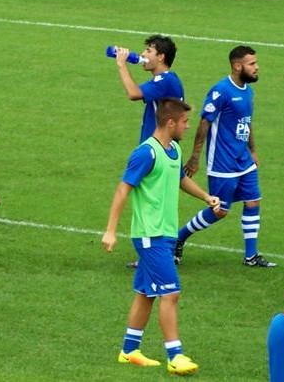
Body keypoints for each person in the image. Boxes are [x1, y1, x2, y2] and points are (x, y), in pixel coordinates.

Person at [101, 98, 218, 376]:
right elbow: (122, 190)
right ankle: (175, 355)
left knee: (146, 294)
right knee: (171, 292)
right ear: (170, 123)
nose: (188, 127)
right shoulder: (146, 153)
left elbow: (179, 179)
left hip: (164, 234)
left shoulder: (174, 150)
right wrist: (110, 229)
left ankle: (129, 351)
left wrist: (205, 196)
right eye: (185, 122)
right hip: (149, 235)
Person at [174, 45, 276, 267]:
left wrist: (253, 151)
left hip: (244, 159)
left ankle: (251, 256)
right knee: (220, 211)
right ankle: (179, 237)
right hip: (223, 162)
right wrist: (195, 157)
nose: (257, 67)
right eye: (252, 64)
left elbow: (247, 123)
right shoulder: (220, 91)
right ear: (238, 66)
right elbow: (204, 123)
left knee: (253, 201)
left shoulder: (248, 90)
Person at [111, 35, 184, 269]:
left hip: (156, 148)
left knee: (147, 199)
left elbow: (133, 93)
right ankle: (157, 252)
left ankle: (157, 251)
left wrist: (122, 64)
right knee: (157, 199)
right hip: (159, 146)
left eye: (149, 51)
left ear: (161, 57)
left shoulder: (165, 80)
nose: (144, 55)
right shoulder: (165, 80)